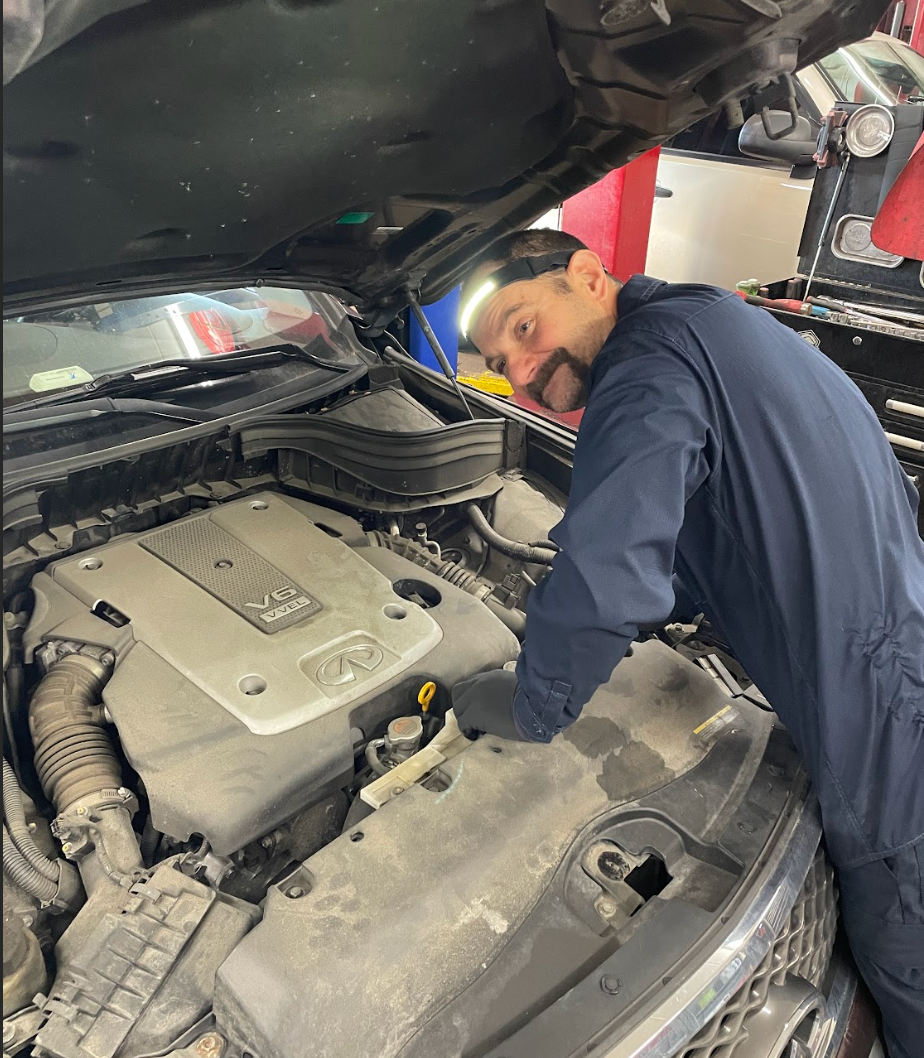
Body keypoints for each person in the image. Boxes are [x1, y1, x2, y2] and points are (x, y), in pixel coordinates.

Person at [451, 229, 924, 1056]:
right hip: (894, 648)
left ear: (589, 276)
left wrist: (532, 702)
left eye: (523, 329)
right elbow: (728, 519)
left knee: (907, 947)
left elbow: (607, 577)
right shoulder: (713, 320)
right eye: (502, 361)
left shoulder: (646, 367)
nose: (521, 376)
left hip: (884, 721)